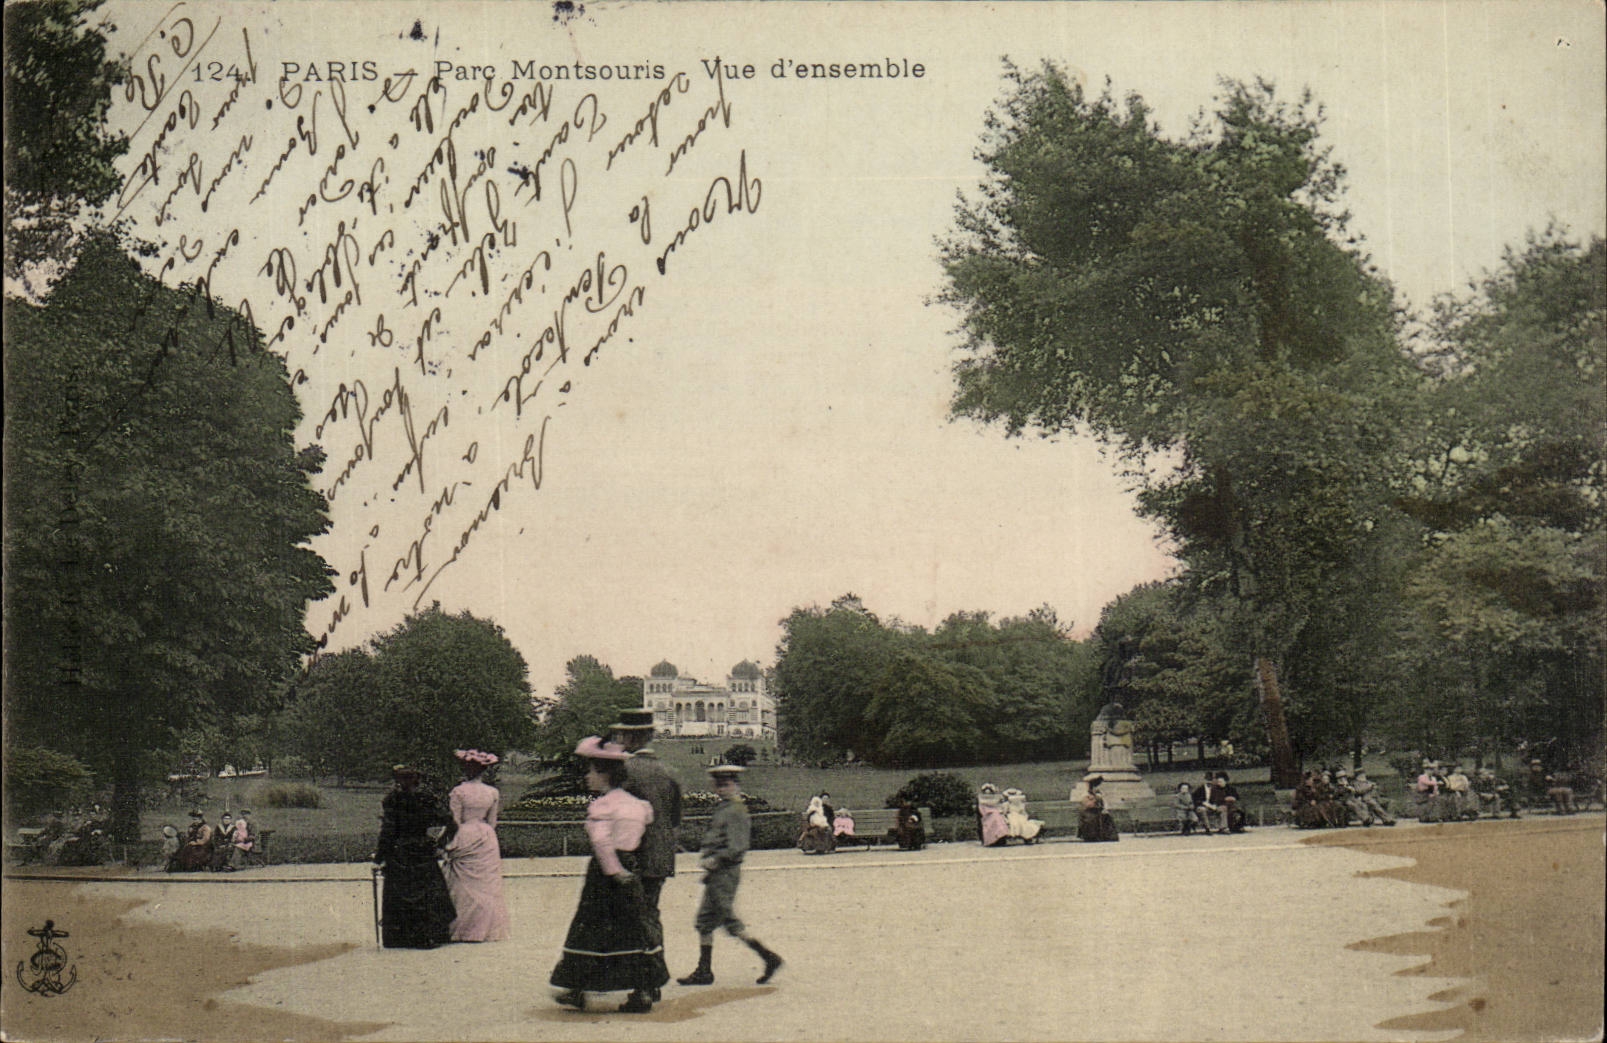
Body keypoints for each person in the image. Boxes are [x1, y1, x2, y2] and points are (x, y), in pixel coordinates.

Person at [550, 737, 669, 1013]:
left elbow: (602, 842)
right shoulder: (637, 806)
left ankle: (576, 988)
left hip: (606, 874)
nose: (587, 776)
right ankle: (642, 991)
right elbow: (643, 834)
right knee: (634, 929)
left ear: (605, 774)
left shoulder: (603, 806)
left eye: (591, 771)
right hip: (632, 865)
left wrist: (614, 871)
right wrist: (629, 870)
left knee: (590, 927)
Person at [676, 764, 783, 988]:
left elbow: (738, 846)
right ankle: (704, 970)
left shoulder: (735, 810)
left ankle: (768, 957)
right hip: (716, 874)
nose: (722, 789)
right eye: (719, 785)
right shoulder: (724, 808)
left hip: (725, 873)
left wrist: (716, 859)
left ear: (736, 785)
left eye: (727, 784)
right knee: (705, 921)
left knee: (728, 920)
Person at [612, 708, 682, 1000]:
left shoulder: (624, 771)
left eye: (622, 734)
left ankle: (642, 984)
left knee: (631, 919)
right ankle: (653, 980)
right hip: (661, 857)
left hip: (633, 855)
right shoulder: (669, 772)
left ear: (631, 736)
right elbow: (675, 819)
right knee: (651, 915)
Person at [372, 765, 456, 950]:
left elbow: (388, 831)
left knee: (402, 892)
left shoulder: (393, 800)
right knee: (426, 892)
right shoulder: (427, 798)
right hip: (422, 849)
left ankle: (399, 937)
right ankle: (427, 936)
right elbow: (448, 821)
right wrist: (438, 843)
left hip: (401, 850)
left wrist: (380, 856)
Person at [441, 749, 511, 942]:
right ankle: (483, 929)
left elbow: (454, 821)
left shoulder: (459, 791)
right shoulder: (492, 792)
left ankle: (464, 928)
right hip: (485, 835)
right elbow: (492, 822)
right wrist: (484, 833)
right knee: (485, 884)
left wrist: (447, 843)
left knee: (463, 884)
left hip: (465, 833)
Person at [1077, 776, 1118, 842]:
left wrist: (1101, 806)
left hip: (1097, 811)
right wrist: (1094, 800)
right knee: (1092, 818)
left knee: (1106, 817)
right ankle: (1092, 836)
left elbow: (1102, 804)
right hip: (1088, 812)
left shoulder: (1098, 794)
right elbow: (1087, 805)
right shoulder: (1086, 794)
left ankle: (1106, 836)